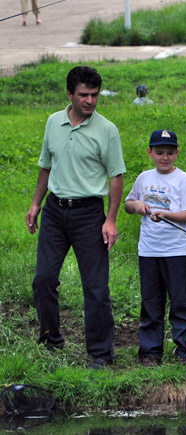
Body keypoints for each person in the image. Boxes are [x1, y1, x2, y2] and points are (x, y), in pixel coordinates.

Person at [25, 66, 125, 370]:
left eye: (95, 95)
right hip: (55, 211)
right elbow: (46, 167)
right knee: (43, 280)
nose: (90, 101)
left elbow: (116, 177)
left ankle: (100, 354)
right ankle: (51, 340)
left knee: (95, 287)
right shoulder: (53, 122)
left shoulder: (107, 130)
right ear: (70, 94)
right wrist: (35, 205)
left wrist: (110, 220)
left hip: (89, 214)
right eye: (84, 95)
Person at [124, 129, 186, 367]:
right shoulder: (144, 178)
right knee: (150, 303)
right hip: (148, 251)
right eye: (159, 153)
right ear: (150, 153)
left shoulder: (183, 179)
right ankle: (150, 352)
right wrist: (136, 205)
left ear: (177, 153)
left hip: (177, 252)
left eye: (169, 153)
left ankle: (185, 352)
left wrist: (166, 214)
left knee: (181, 303)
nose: (164, 158)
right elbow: (127, 204)